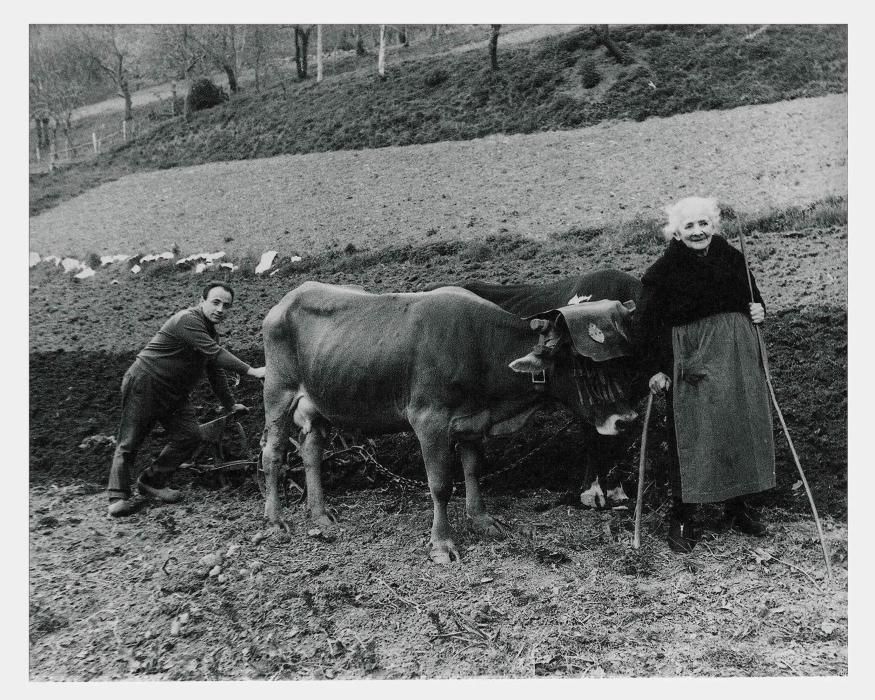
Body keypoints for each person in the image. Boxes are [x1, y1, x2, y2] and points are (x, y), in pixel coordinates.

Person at [635, 196, 775, 553]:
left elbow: (753, 299)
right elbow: (646, 325)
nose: (698, 231)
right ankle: (683, 517)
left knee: (736, 428)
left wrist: (759, 310)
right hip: (692, 364)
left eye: (703, 224)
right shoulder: (662, 273)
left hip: (736, 359)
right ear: (676, 233)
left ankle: (736, 508)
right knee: (692, 436)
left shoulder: (732, 258)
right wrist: (654, 370)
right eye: (689, 226)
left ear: (713, 225)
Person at [106, 281, 266, 517]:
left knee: (189, 435)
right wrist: (252, 371)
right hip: (146, 382)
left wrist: (230, 404)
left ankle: (153, 481)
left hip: (175, 392)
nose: (220, 309)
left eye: (226, 306)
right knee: (130, 440)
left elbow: (215, 371)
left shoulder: (210, 334)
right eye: (215, 302)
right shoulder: (187, 321)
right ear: (202, 302)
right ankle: (118, 497)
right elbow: (216, 355)